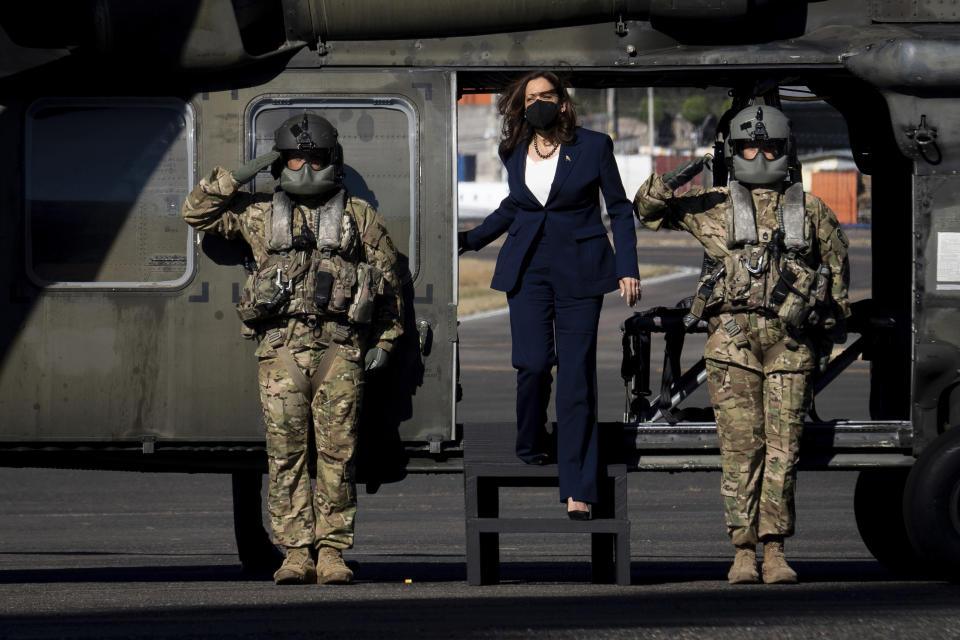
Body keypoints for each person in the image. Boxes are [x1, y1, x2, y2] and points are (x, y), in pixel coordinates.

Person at [632, 103, 851, 584]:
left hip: (789, 345)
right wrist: (685, 170)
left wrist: (819, 320)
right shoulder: (710, 205)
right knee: (740, 450)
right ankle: (743, 550)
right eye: (749, 145)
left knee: (784, 450)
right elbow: (646, 209)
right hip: (732, 344)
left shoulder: (812, 211)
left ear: (785, 150)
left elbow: (837, 287)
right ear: (733, 150)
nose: (760, 152)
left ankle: (775, 549)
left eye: (770, 145)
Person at [182, 113, 403, 585]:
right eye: (294, 157)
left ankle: (331, 553)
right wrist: (254, 167)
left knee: (338, 456)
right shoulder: (260, 214)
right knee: (285, 456)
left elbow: (389, 285)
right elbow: (196, 211)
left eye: (315, 157)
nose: (305, 166)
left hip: (340, 352)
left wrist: (384, 340)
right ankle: (296, 552)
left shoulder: (359, 217)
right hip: (281, 352)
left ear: (332, 160)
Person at [459, 71, 640, 519]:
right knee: (534, 364)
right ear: (522, 106)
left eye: (546, 95)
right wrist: (469, 240)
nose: (538, 102)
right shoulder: (513, 150)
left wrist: (627, 269)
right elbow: (515, 205)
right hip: (528, 271)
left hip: (581, 271)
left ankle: (578, 486)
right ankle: (531, 440)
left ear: (562, 102)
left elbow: (618, 209)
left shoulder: (594, 146)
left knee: (576, 377)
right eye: (530, 97)